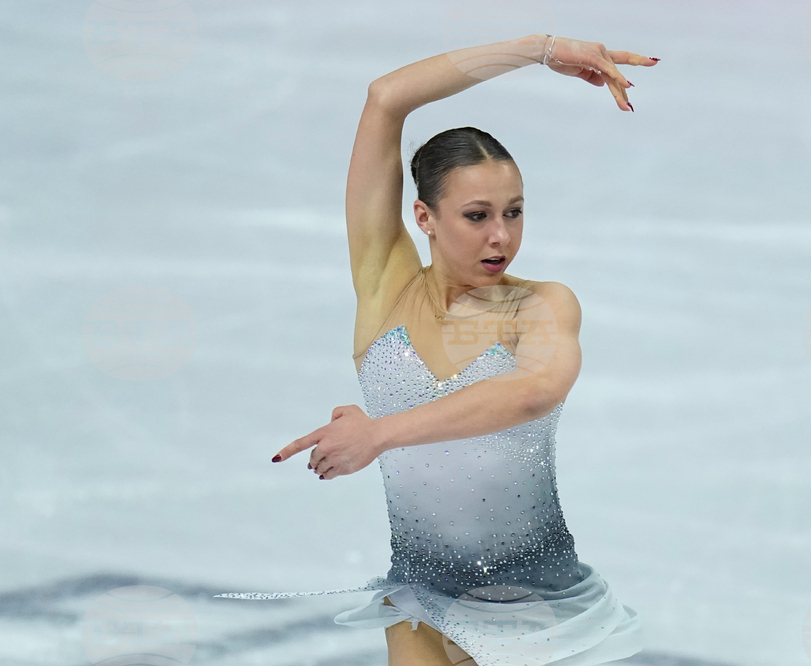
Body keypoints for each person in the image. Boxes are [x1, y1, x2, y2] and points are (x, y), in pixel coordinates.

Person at [216, 33, 658, 665]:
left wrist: (380, 433)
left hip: (537, 610)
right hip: (420, 599)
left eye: (515, 212)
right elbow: (386, 98)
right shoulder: (383, 287)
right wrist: (541, 49)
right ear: (423, 217)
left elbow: (531, 392)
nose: (501, 236)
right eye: (476, 215)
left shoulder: (541, 305)